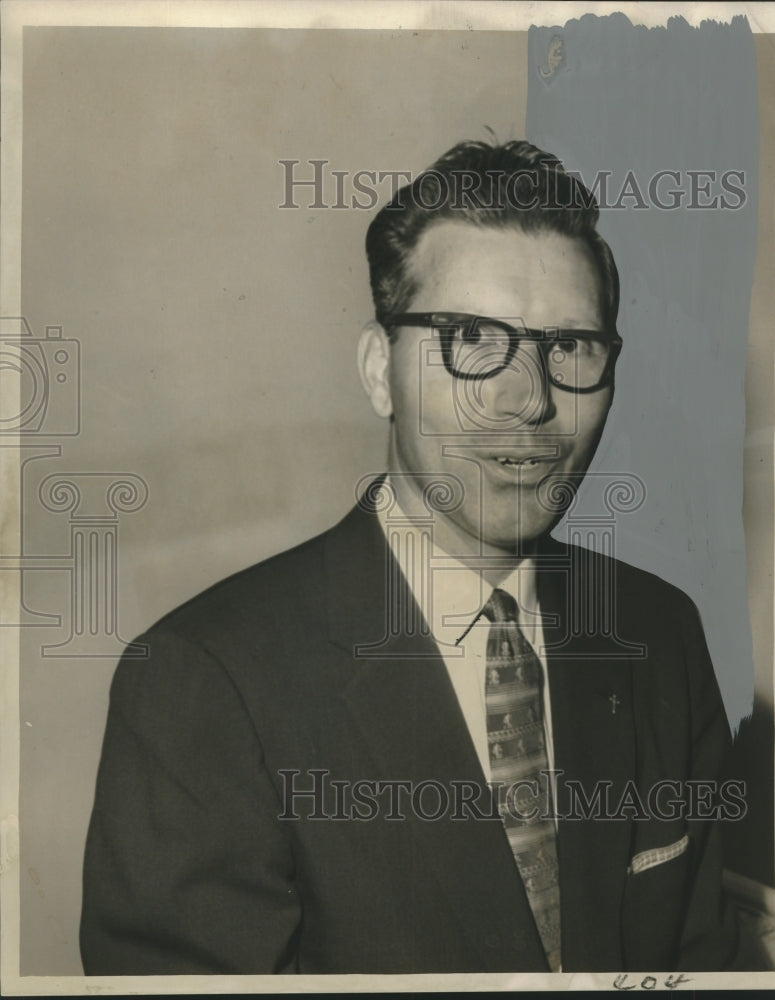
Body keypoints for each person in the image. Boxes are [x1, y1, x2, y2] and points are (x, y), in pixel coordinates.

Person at [80, 140, 738, 975]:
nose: (530, 401)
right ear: (378, 372)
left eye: (571, 348)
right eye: (471, 339)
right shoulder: (201, 680)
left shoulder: (659, 632)